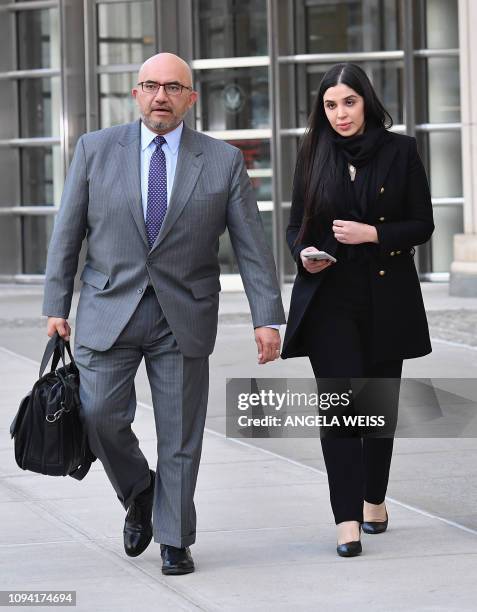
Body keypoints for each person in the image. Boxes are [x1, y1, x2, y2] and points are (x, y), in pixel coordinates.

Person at [43, 52, 285, 575]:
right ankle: (142, 492)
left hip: (185, 314)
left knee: (179, 435)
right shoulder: (94, 149)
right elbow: (68, 233)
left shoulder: (221, 161)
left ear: (190, 98)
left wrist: (267, 316)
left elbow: (251, 247)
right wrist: (55, 305)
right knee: (99, 415)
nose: (160, 96)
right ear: (135, 93)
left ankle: (175, 538)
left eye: (173, 88)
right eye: (150, 86)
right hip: (109, 307)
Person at [281, 63, 434, 557]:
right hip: (330, 301)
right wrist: (305, 255)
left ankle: (374, 499)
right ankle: (346, 519)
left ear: (366, 101)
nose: (339, 114)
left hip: (388, 297)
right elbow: (293, 228)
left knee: (376, 410)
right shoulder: (312, 154)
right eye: (330, 105)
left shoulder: (401, 150)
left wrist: (374, 234)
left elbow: (422, 223)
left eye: (348, 102)